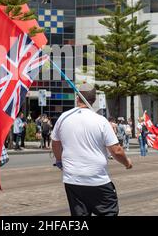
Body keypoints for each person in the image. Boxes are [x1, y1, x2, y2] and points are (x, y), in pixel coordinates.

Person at [51, 83, 132, 216]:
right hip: (96, 179)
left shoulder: (63, 118)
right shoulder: (101, 121)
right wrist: (127, 163)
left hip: (72, 179)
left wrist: (60, 161)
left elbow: (55, 144)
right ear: (94, 100)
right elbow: (116, 150)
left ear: (77, 98)